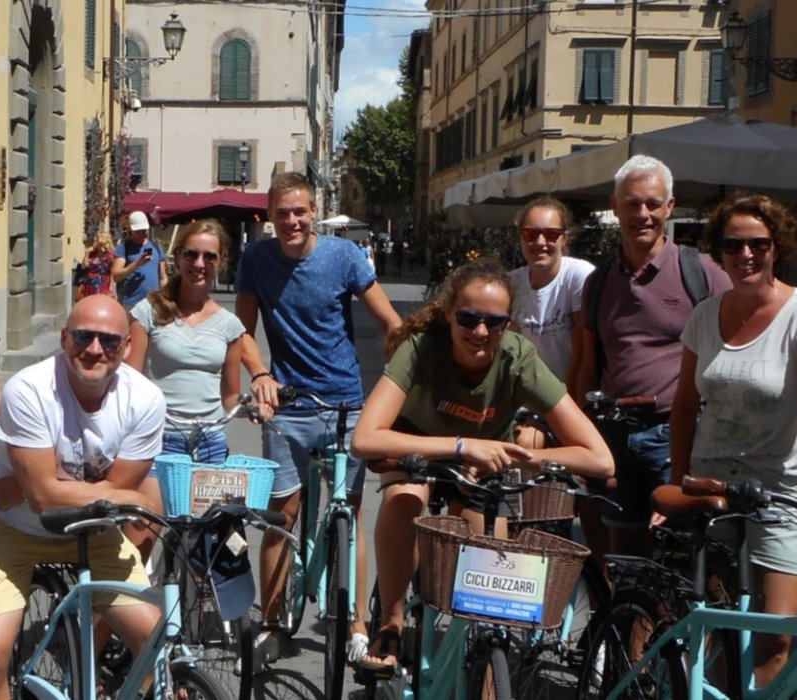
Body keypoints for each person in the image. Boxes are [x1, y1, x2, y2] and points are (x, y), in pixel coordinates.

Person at [349, 258, 615, 672]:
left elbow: (598, 457)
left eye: (494, 323)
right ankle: (392, 624)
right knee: (404, 500)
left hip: (484, 466)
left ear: (508, 324)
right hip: (419, 446)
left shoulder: (517, 357)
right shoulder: (420, 348)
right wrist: (461, 445)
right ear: (449, 315)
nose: (480, 332)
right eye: (468, 319)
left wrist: (526, 459)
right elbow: (365, 438)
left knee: (489, 549)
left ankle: (481, 655)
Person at [671, 194, 797, 687]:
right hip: (711, 484)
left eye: (758, 244)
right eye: (734, 244)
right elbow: (684, 406)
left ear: (777, 247)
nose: (746, 255)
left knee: (775, 636)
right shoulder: (705, 315)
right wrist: (674, 483)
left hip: (783, 486)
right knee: (713, 625)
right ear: (719, 251)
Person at [237, 171, 403, 661]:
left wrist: (406, 376)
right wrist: (260, 374)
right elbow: (242, 331)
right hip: (289, 406)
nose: (292, 220)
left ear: (314, 210)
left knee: (348, 513)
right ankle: (270, 620)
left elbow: (389, 321)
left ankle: (356, 622)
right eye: (283, 212)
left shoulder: (343, 256)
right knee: (280, 515)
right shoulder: (256, 259)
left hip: (346, 404)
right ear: (270, 215)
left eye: (301, 210)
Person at [0, 295, 165, 700]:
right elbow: (47, 500)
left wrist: (31, 483)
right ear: (63, 338)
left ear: (127, 347)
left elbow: (116, 494)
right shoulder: (28, 389)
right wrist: (40, 488)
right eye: (83, 336)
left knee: (156, 638)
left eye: (109, 341)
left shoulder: (145, 399)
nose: (94, 350)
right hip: (13, 529)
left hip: (96, 531)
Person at [566, 155, 732, 558]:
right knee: (626, 557)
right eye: (632, 203)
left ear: (670, 207)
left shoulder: (705, 274)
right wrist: (582, 438)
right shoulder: (598, 282)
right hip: (616, 436)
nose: (643, 214)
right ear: (615, 206)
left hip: (676, 436)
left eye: (653, 204)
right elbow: (589, 366)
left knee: (685, 556)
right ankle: (632, 622)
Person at [125, 218, 260, 463]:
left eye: (209, 257)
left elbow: (230, 397)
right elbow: (131, 382)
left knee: (210, 504)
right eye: (191, 255)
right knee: (158, 503)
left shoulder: (230, 326)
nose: (199, 264)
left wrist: (252, 407)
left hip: (211, 442)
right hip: (159, 437)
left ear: (221, 262)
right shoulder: (149, 311)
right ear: (177, 257)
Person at [507, 196, 596, 382]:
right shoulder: (511, 284)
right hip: (527, 398)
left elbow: (583, 353)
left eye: (551, 234)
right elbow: (511, 352)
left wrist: (567, 402)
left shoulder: (579, 275)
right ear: (520, 238)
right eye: (530, 234)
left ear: (564, 239)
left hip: (570, 394)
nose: (540, 242)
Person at [113, 210, 165, 308]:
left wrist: (166, 298)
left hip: (154, 303)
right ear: (130, 230)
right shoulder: (124, 247)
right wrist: (137, 264)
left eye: (144, 230)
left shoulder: (156, 247)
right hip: (132, 303)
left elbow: (163, 277)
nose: (142, 233)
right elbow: (116, 276)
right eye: (138, 231)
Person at [78, 230, 118, 300]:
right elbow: (84, 266)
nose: (94, 239)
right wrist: (87, 253)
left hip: (102, 286)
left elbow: (112, 273)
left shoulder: (109, 256)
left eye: (97, 238)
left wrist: (111, 288)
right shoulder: (92, 253)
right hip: (89, 286)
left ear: (103, 240)